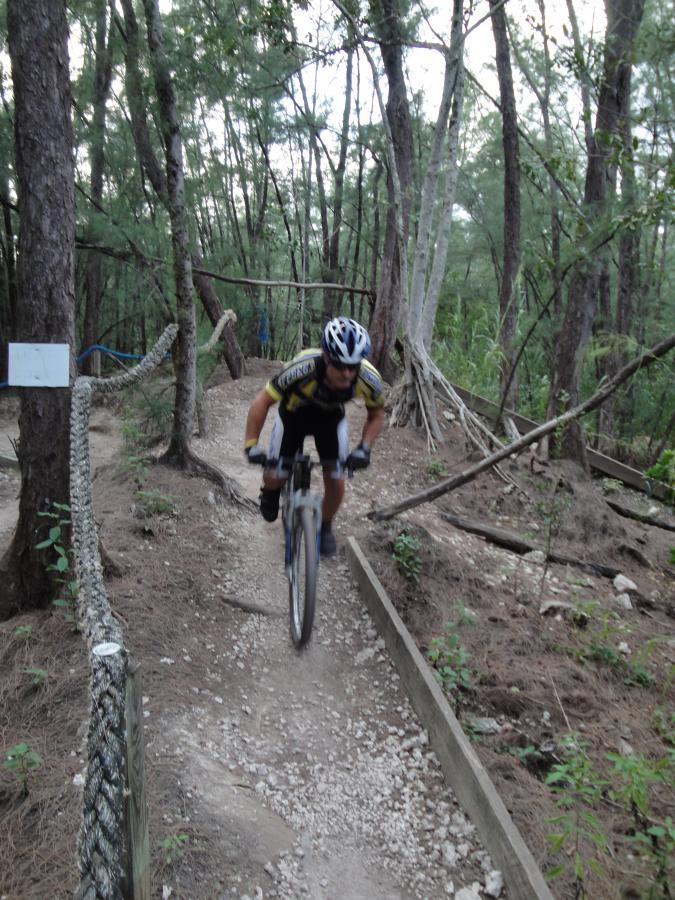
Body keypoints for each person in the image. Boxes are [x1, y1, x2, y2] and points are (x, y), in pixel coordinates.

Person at [243, 316, 385, 557]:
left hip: (330, 421)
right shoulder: (302, 367)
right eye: (340, 365)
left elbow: (376, 414)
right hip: (293, 417)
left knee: (337, 482)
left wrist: (364, 448)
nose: (348, 374)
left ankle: (325, 526)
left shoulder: (369, 379)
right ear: (327, 357)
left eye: (354, 366)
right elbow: (262, 401)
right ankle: (271, 492)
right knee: (276, 475)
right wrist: (251, 445)